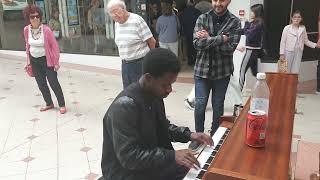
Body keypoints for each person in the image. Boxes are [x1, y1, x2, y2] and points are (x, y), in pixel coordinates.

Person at [100, 48, 213, 180]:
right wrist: (172, 156)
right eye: (165, 84)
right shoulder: (125, 106)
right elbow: (129, 158)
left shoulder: (154, 95)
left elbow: (162, 127)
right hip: (124, 173)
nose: (169, 90)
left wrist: (190, 135)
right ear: (148, 78)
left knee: (198, 170)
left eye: (171, 84)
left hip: (147, 163)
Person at [189, 0, 241, 151]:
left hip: (222, 73)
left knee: (218, 106)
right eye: (215, 0)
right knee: (199, 106)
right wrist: (221, 38)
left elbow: (229, 49)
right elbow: (197, 44)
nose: (218, 3)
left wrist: (209, 37)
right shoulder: (202, 18)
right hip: (201, 72)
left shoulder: (235, 22)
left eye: (222, 0)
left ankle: (214, 134)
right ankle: (199, 136)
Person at [23, 5, 66, 114]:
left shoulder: (46, 30)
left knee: (53, 82)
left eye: (37, 16)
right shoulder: (26, 30)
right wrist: (28, 61)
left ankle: (62, 104)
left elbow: (54, 46)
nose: (35, 19)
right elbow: (27, 46)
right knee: (41, 83)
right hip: (34, 61)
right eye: (32, 17)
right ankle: (49, 103)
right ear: (28, 18)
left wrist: (56, 62)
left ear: (40, 17)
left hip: (47, 60)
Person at [106, 0, 156, 88]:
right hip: (125, 65)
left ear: (124, 9)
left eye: (116, 11)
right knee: (129, 92)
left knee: (143, 92)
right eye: (111, 13)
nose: (114, 15)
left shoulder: (137, 20)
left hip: (140, 64)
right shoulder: (117, 23)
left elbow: (151, 41)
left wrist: (151, 63)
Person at [237, 4, 264, 91]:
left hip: (251, 51)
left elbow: (249, 35)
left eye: (252, 11)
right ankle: (265, 88)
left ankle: (239, 92)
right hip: (254, 51)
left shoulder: (258, 24)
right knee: (255, 73)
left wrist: (246, 23)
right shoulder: (255, 23)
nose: (251, 13)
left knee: (242, 71)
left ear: (256, 12)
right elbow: (244, 31)